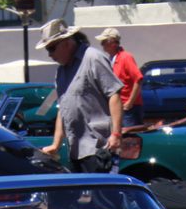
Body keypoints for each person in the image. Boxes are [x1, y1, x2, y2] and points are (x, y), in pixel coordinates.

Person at [37, 19, 122, 173]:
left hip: (98, 148)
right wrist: (56, 145)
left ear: (67, 42)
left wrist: (116, 134)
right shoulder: (61, 71)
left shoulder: (93, 58)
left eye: (52, 48)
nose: (49, 54)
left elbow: (114, 94)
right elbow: (62, 109)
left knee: (101, 196)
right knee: (83, 196)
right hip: (76, 150)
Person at [98, 28, 143, 128]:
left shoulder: (126, 57)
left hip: (128, 109)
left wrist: (130, 102)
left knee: (130, 139)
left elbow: (138, 79)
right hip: (117, 107)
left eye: (104, 42)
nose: (102, 45)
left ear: (113, 42)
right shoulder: (110, 59)